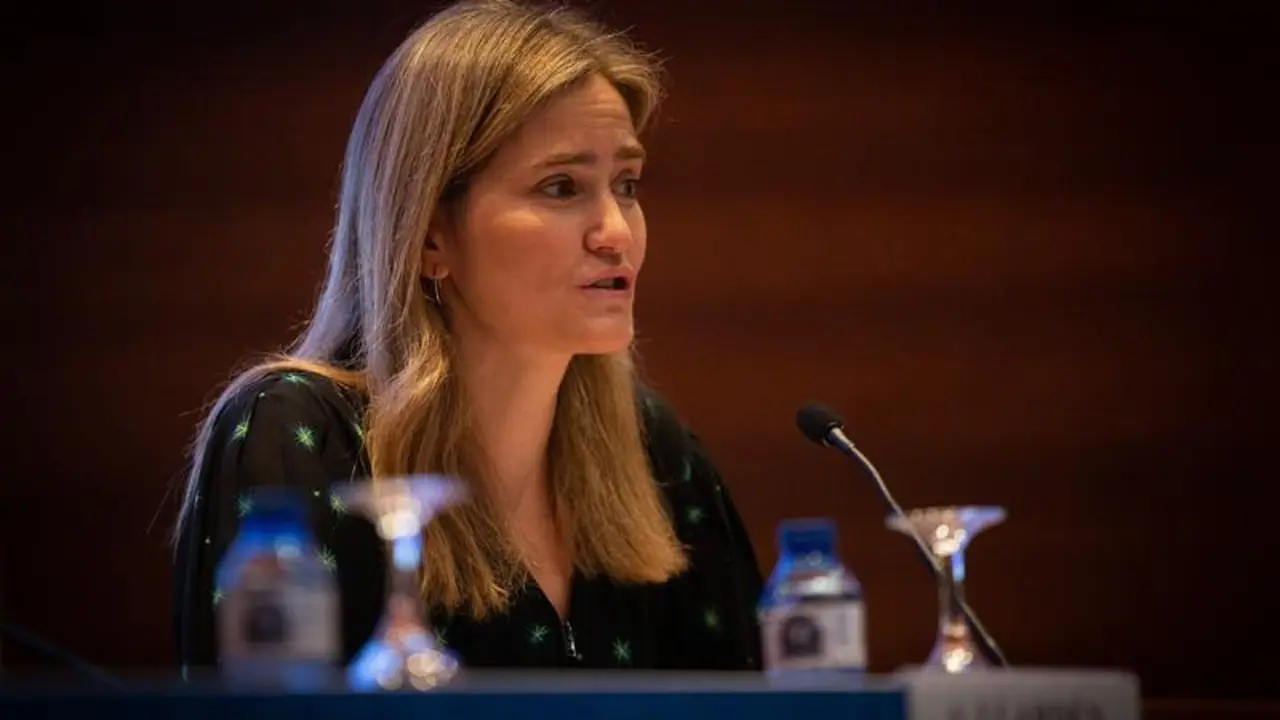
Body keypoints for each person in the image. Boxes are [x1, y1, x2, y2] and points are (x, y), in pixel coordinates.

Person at [171, 0, 763, 671]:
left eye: (626, 185)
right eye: (561, 187)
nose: (616, 233)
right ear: (430, 236)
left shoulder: (658, 451)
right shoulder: (296, 434)